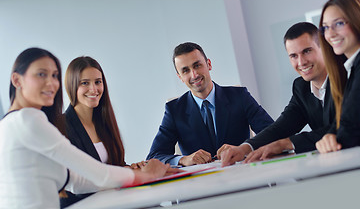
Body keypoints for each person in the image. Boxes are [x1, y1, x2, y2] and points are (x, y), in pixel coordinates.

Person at [0, 48, 178, 209]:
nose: (51, 83)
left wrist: (135, 171)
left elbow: (76, 181)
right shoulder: (28, 120)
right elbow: (98, 174)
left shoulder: (12, 122)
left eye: (54, 75)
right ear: (17, 80)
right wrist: (148, 175)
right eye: (41, 74)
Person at [219, 22, 335, 166]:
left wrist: (286, 143)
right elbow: (282, 126)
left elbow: (345, 126)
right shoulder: (301, 87)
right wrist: (246, 147)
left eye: (307, 51)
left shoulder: (348, 77)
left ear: (324, 48)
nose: (301, 62)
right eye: (293, 56)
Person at [146, 42, 274, 166]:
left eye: (197, 65)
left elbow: (273, 134)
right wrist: (183, 160)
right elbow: (154, 156)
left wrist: (244, 148)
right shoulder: (174, 110)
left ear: (209, 64)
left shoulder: (239, 96)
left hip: (245, 177)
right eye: (185, 71)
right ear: (180, 77)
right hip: (203, 184)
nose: (194, 75)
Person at [61, 56, 141, 207]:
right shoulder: (62, 126)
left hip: (113, 201)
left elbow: (114, 166)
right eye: (85, 83)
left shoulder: (103, 121)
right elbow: (75, 184)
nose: (94, 89)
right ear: (72, 86)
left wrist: (131, 168)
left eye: (98, 82)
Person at [316, 0, 360, 153]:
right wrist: (329, 136)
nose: (331, 34)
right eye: (326, 27)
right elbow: (341, 123)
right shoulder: (351, 69)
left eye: (339, 23)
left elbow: (351, 132)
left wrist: (334, 138)